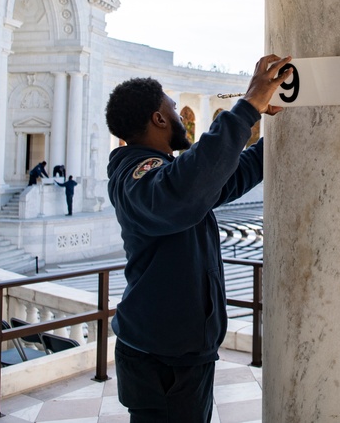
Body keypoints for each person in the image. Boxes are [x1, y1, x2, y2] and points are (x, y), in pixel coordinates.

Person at [105, 53, 292, 422]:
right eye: (174, 108)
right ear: (159, 119)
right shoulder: (137, 175)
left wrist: (285, 134)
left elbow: (229, 176)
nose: (181, 117)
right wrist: (248, 105)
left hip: (177, 354)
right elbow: (181, 189)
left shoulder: (164, 172)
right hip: (161, 360)